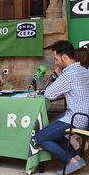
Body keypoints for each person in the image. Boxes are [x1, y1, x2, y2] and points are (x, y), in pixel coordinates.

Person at [35, 41, 89, 175]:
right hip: (84, 116)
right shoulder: (83, 69)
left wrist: (59, 74)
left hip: (76, 118)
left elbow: (48, 94)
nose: (56, 62)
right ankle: (77, 159)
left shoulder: (69, 74)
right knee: (51, 128)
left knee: (40, 137)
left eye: (56, 59)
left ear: (64, 57)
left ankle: (71, 161)